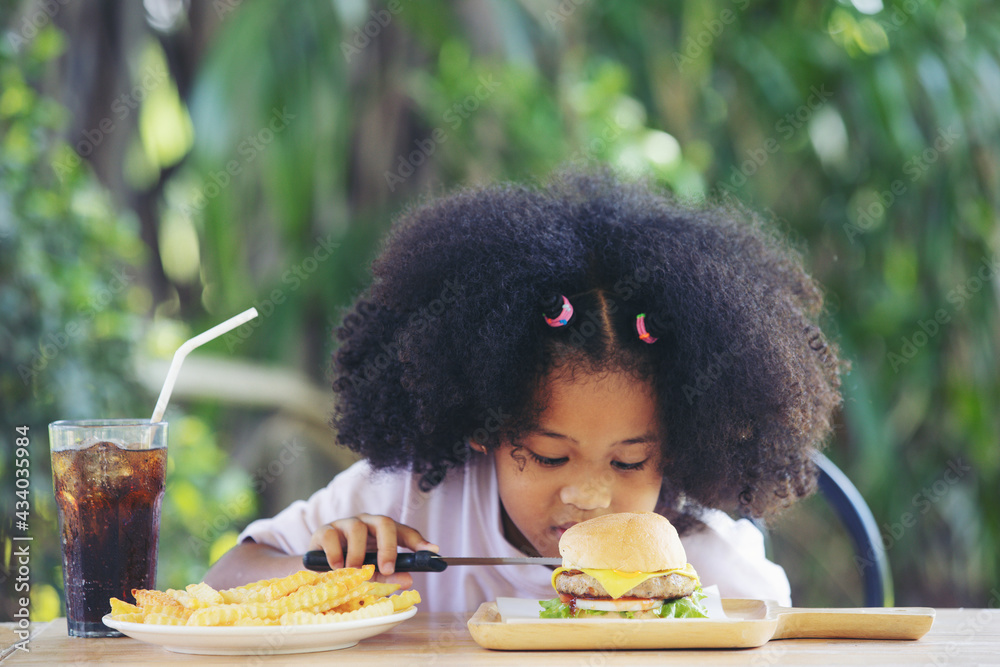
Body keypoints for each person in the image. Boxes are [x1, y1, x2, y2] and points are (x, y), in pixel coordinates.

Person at [204, 170, 845, 611]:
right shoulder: (411, 504)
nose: (590, 495)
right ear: (486, 421)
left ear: (680, 445)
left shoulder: (705, 565)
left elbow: (777, 636)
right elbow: (222, 583)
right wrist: (327, 575)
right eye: (548, 454)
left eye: (628, 461)